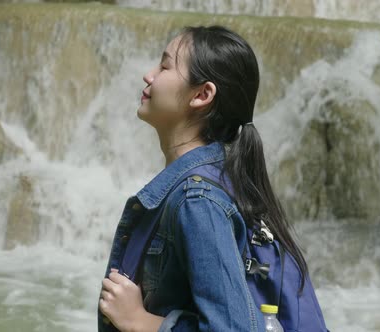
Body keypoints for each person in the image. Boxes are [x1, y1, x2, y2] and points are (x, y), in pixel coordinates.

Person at [98, 25, 310, 332]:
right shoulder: (219, 179)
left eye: (165, 65)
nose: (149, 74)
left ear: (202, 94)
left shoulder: (198, 201)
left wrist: (141, 322)